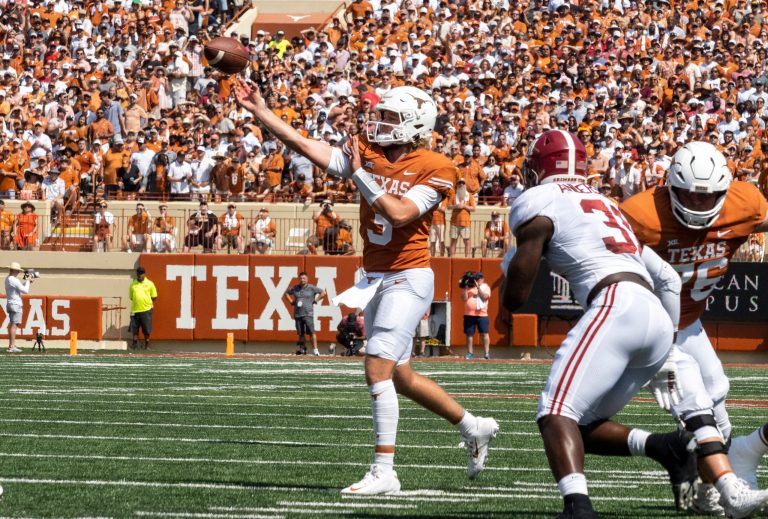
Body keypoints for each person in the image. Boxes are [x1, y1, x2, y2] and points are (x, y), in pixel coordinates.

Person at [236, 82, 498, 496]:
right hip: (375, 278)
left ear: (415, 125)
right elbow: (307, 146)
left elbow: (399, 213)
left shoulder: (437, 166)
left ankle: (385, 471)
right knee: (401, 375)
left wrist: (359, 173)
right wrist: (262, 112)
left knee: (376, 366)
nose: (380, 123)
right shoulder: (368, 150)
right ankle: (473, 426)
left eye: (391, 118)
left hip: (408, 276)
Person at [501, 130, 701, 517]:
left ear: (537, 167)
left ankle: (578, 507)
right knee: (580, 421)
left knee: (555, 412)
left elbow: (516, 298)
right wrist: (671, 351)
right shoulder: (605, 204)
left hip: (614, 302)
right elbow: (670, 280)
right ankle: (667, 448)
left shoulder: (538, 199)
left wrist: (513, 268)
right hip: (656, 317)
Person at [621, 141, 768, 515]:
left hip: (689, 321)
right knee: (697, 405)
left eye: (709, 197)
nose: (699, 204)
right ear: (670, 185)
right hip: (649, 324)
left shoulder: (744, 204)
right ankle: (727, 489)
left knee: (718, 395)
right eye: (688, 194)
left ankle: (704, 489)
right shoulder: (641, 215)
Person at [283, 272, 326, 356]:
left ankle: (315, 350)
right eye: (301, 278)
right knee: (300, 333)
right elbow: (286, 293)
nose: (302, 280)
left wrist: (316, 300)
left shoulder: (311, 288)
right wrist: (291, 301)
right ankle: (302, 349)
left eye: (304, 278)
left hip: (308, 314)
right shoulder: (295, 288)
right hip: (298, 314)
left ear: (307, 279)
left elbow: (323, 292)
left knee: (312, 332)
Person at [461, 271, 491, 360]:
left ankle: (487, 353)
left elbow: (485, 297)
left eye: (479, 279)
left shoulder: (485, 287)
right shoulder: (469, 288)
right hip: (469, 314)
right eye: (476, 279)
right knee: (469, 334)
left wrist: (478, 287)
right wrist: (465, 288)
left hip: (482, 314)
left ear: (482, 279)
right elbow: (463, 298)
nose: (477, 280)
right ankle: (470, 353)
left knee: (484, 333)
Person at [5, 261, 32, 353]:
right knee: (14, 325)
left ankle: (11, 345)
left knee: (13, 324)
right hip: (15, 304)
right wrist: (28, 281)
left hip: (10, 303)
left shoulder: (8, 279)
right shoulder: (14, 280)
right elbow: (25, 291)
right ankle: (12, 346)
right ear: (16, 270)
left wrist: (27, 282)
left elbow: (20, 289)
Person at [128, 266, 157, 350]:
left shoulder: (150, 284)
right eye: (138, 273)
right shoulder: (133, 284)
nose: (139, 275)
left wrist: (148, 303)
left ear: (144, 274)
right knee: (134, 328)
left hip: (146, 309)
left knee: (147, 329)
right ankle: (134, 344)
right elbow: (131, 297)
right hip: (135, 310)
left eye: (141, 273)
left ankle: (147, 345)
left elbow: (154, 296)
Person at [448, 178, 475, 257]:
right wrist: (456, 206)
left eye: (463, 183)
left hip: (465, 223)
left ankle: (467, 258)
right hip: (454, 223)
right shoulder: (453, 196)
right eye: (459, 183)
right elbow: (449, 207)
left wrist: (464, 206)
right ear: (457, 185)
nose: (461, 185)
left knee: (467, 241)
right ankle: (452, 258)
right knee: (453, 241)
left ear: (465, 185)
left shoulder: (469, 196)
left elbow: (473, 208)